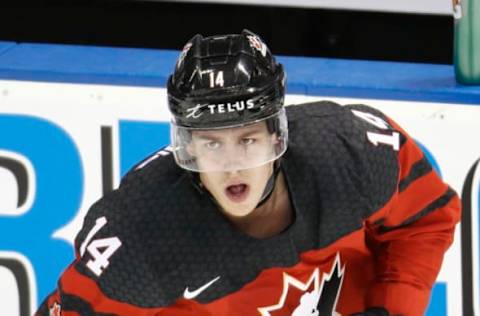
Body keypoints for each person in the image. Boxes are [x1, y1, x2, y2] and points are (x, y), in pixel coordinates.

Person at [35, 30, 461, 316]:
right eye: (211, 143)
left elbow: (426, 220)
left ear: (278, 135)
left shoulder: (348, 152)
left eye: (248, 139)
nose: (231, 163)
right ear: (187, 146)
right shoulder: (142, 231)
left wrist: (393, 307)